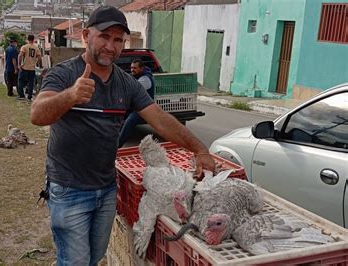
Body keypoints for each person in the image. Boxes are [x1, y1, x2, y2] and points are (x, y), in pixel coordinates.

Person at [30, 6, 216, 265]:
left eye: (118, 40)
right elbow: (37, 115)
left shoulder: (126, 83)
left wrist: (199, 149)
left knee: (94, 259)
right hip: (69, 190)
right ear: (86, 35)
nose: (111, 45)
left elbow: (160, 120)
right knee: (76, 262)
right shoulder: (64, 73)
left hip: (106, 189)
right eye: (104, 36)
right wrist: (71, 95)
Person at [118, 59, 154, 147]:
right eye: (131, 68)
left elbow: (131, 89)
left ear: (141, 68)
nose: (132, 70)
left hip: (144, 109)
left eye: (135, 68)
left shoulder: (146, 79)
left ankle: (117, 146)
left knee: (129, 121)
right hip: (134, 107)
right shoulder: (135, 76)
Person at [17, 34, 42, 101]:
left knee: (20, 81)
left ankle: (21, 95)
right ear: (33, 39)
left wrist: (19, 65)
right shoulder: (36, 48)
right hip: (32, 68)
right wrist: (40, 66)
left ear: (27, 39)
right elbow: (39, 58)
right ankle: (29, 96)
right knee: (31, 83)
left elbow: (20, 56)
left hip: (24, 67)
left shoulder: (24, 47)